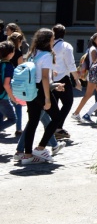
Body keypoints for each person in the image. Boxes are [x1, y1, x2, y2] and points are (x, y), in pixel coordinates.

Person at [19, 28, 64, 165]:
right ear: (48, 40)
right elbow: (44, 78)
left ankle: (27, 155)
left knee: (32, 122)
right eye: (52, 38)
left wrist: (53, 84)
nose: (53, 40)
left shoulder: (33, 53)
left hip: (31, 89)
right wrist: (47, 98)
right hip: (40, 90)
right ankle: (41, 147)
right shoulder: (47, 55)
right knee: (56, 118)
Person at [71, 32, 97, 123]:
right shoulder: (94, 49)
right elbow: (95, 61)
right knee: (88, 95)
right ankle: (76, 113)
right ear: (94, 40)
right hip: (94, 75)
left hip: (94, 75)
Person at [51, 24, 78, 140]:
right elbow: (70, 64)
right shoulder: (66, 46)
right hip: (62, 78)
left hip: (51, 78)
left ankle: (54, 127)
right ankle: (57, 127)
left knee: (54, 104)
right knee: (68, 103)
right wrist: (76, 79)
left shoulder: (49, 45)